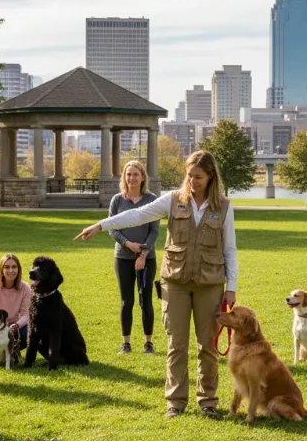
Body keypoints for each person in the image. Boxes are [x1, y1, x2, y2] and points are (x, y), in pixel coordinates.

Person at [75, 151, 237, 419]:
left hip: (210, 283)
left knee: (207, 345)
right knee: (176, 344)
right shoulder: (173, 200)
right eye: (189, 176)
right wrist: (101, 225)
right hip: (175, 282)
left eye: (198, 177)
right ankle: (175, 402)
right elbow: (138, 215)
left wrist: (231, 287)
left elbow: (229, 249)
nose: (192, 181)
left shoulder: (224, 206)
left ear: (210, 177)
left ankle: (208, 401)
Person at [108, 160, 159, 355]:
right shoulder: (117, 200)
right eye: (128, 174)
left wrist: (143, 254)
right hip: (122, 258)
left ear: (143, 177)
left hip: (147, 259)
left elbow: (154, 231)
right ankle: (126, 343)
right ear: (124, 177)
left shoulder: (151, 199)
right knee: (126, 301)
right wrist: (129, 245)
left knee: (145, 300)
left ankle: (148, 343)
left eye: (135, 174)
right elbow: (112, 228)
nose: (132, 178)